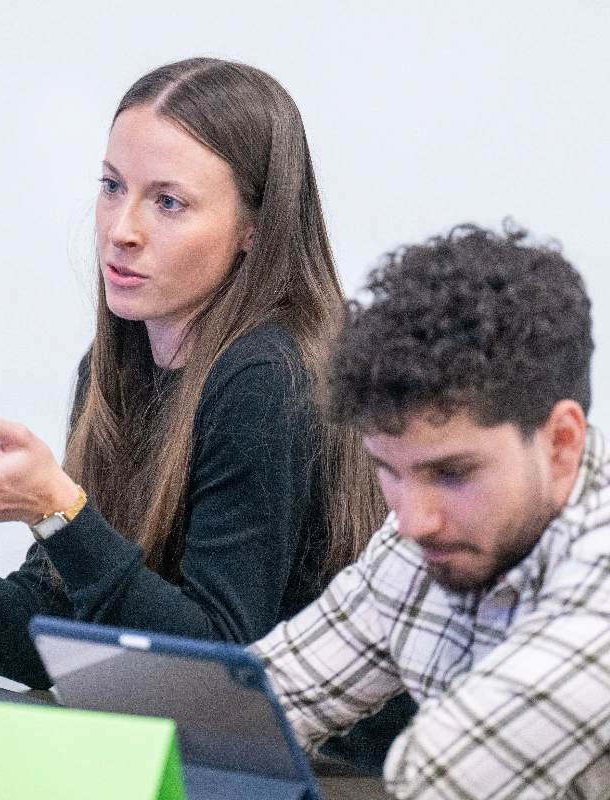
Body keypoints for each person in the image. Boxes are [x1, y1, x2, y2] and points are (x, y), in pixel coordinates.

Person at [0, 58, 387, 691]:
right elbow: (45, 637)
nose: (121, 229)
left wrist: (59, 513)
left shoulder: (268, 377)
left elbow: (215, 671)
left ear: (255, 227)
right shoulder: (115, 365)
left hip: (339, 776)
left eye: (167, 202)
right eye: (112, 186)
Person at [252, 222, 610, 798]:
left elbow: (437, 777)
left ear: (561, 443)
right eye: (389, 471)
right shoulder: (419, 541)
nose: (415, 521)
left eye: (453, 474)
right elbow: (249, 707)